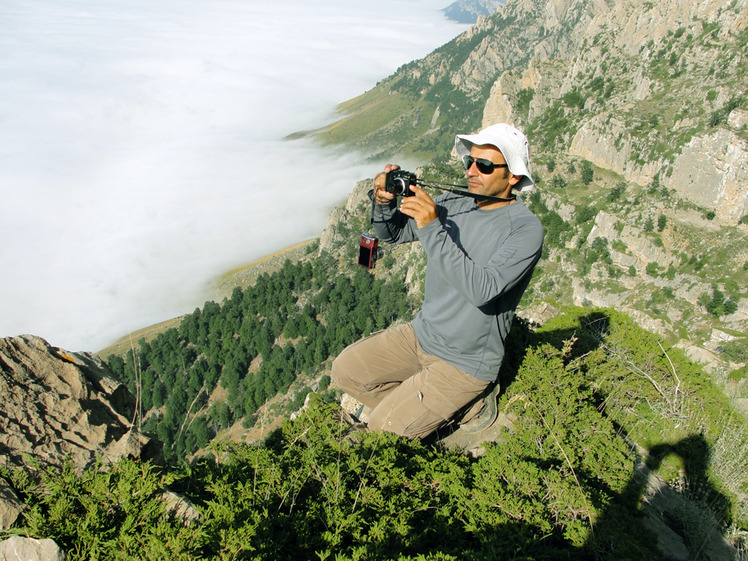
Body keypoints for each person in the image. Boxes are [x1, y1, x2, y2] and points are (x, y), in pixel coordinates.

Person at [332, 123, 544, 439]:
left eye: (484, 165)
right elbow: (393, 234)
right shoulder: (454, 202)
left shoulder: (525, 230)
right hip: (422, 335)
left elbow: (482, 290)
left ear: (513, 176)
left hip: (466, 362)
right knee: (345, 371)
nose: (472, 170)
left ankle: (471, 405)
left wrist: (432, 226)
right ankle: (421, 408)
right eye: (469, 161)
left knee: (382, 433)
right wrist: (383, 203)